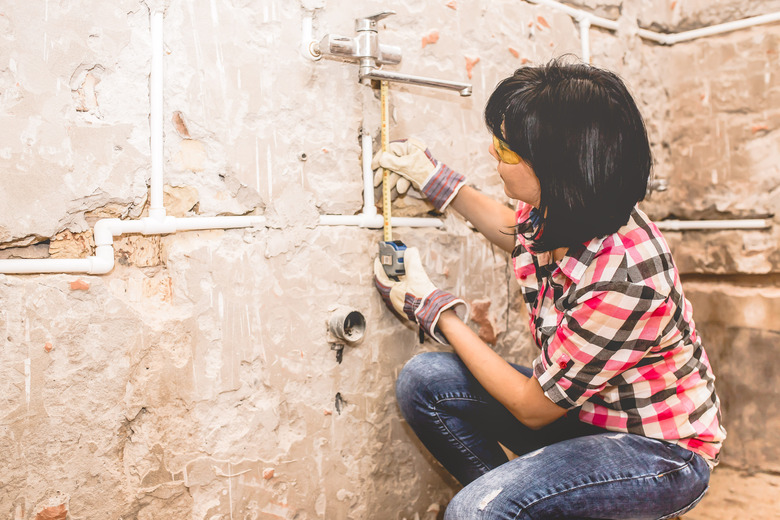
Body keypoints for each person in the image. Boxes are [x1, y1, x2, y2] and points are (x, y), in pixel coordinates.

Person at [372, 59, 726, 520]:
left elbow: (531, 409)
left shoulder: (625, 279)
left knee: (474, 513)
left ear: (558, 167)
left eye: (505, 149)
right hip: (586, 413)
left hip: (657, 452)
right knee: (426, 383)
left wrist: (438, 312)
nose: (493, 155)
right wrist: (437, 181)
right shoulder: (573, 207)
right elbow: (514, 232)